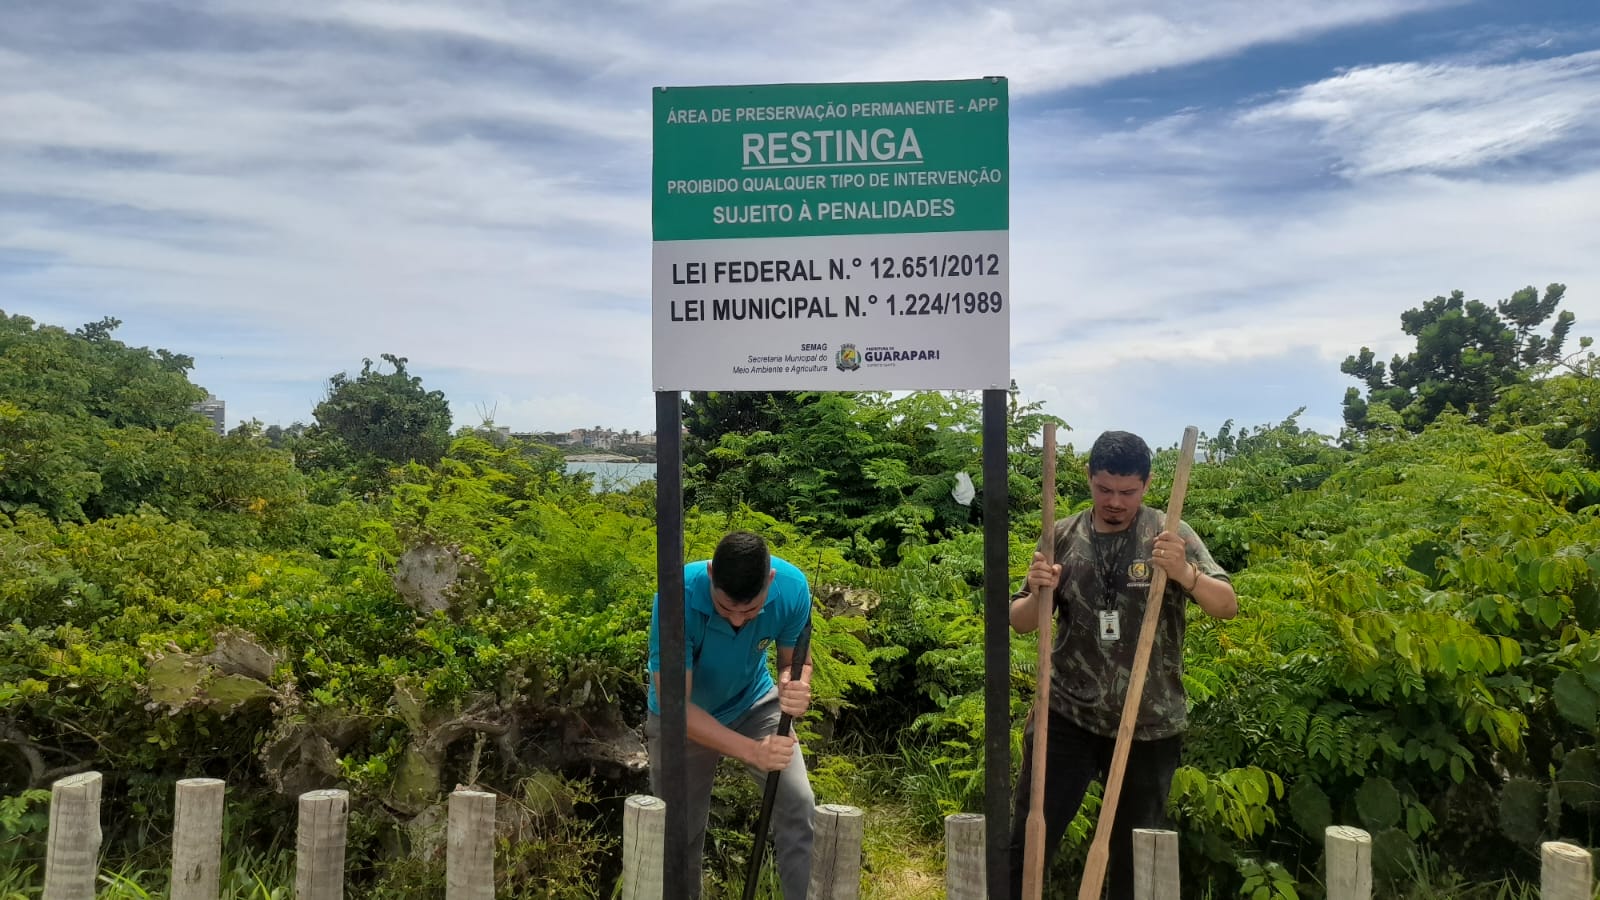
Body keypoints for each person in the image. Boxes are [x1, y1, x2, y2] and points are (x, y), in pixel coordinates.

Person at [1008, 430, 1238, 899]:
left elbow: (1226, 605)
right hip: (1067, 714)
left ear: (1147, 484)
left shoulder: (1170, 534)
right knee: (1028, 842)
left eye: (1127, 492)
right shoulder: (1063, 535)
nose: (1115, 501)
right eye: (1105, 489)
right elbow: (1021, 623)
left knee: (1135, 857)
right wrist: (1038, 590)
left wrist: (1185, 573)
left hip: (1148, 723)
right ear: (1090, 479)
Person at [645, 530, 815, 900]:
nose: (738, 620)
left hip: (753, 702)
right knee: (680, 831)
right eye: (726, 609)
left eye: (751, 611)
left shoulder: (791, 588)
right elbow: (677, 707)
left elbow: (795, 663)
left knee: (799, 803)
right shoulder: (676, 598)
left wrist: (795, 687)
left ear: (769, 580)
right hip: (682, 718)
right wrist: (753, 752)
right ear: (710, 574)